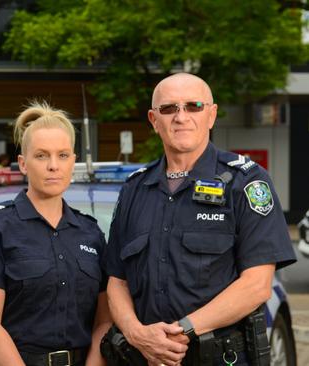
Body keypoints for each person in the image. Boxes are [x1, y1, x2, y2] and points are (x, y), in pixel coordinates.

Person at [105, 73, 296, 365]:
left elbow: (257, 284)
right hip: (144, 357)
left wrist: (183, 331)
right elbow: (117, 281)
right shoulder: (134, 189)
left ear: (212, 115)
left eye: (193, 106)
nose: (181, 117)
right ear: (154, 120)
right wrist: (137, 334)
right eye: (169, 109)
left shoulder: (245, 181)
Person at [0, 102, 112, 366]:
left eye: (63, 155)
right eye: (42, 155)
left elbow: (104, 321)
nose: (53, 166)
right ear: (23, 163)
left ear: (73, 162)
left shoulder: (90, 232)